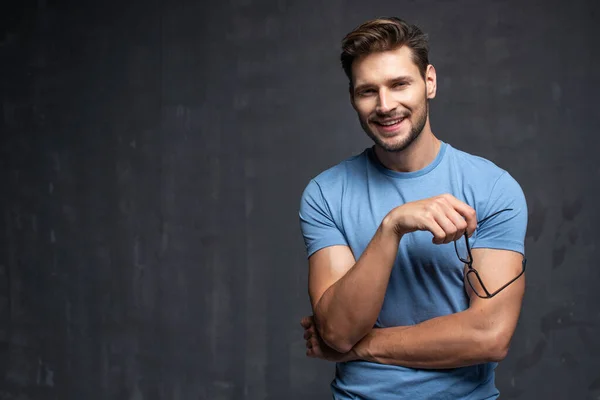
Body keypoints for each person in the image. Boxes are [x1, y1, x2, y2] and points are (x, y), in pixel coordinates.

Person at [298, 17, 528, 400]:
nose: (385, 105)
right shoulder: (325, 193)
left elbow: (489, 336)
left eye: (399, 84)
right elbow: (337, 331)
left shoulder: (492, 189)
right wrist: (392, 226)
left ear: (429, 82)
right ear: (353, 98)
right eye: (368, 91)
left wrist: (362, 347)